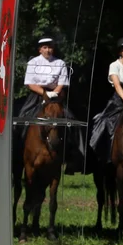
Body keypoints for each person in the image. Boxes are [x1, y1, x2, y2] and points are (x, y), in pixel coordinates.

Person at [15, 36, 86, 171]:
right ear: (40, 49)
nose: (48, 50)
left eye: (50, 47)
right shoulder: (33, 63)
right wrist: (44, 93)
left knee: (71, 120)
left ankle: (74, 155)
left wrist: (54, 93)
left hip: (56, 95)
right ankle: (18, 150)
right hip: (37, 95)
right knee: (23, 118)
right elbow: (30, 83)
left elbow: (62, 83)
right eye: (45, 47)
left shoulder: (60, 63)